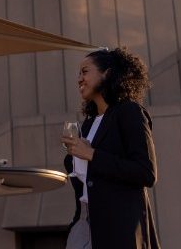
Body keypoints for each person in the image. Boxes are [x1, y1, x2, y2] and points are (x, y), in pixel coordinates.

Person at [61, 47, 160, 249]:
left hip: (119, 228)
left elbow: (146, 173)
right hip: (85, 223)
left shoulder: (129, 112)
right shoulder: (88, 124)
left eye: (85, 71)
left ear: (107, 73)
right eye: (78, 74)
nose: (79, 79)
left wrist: (92, 154)